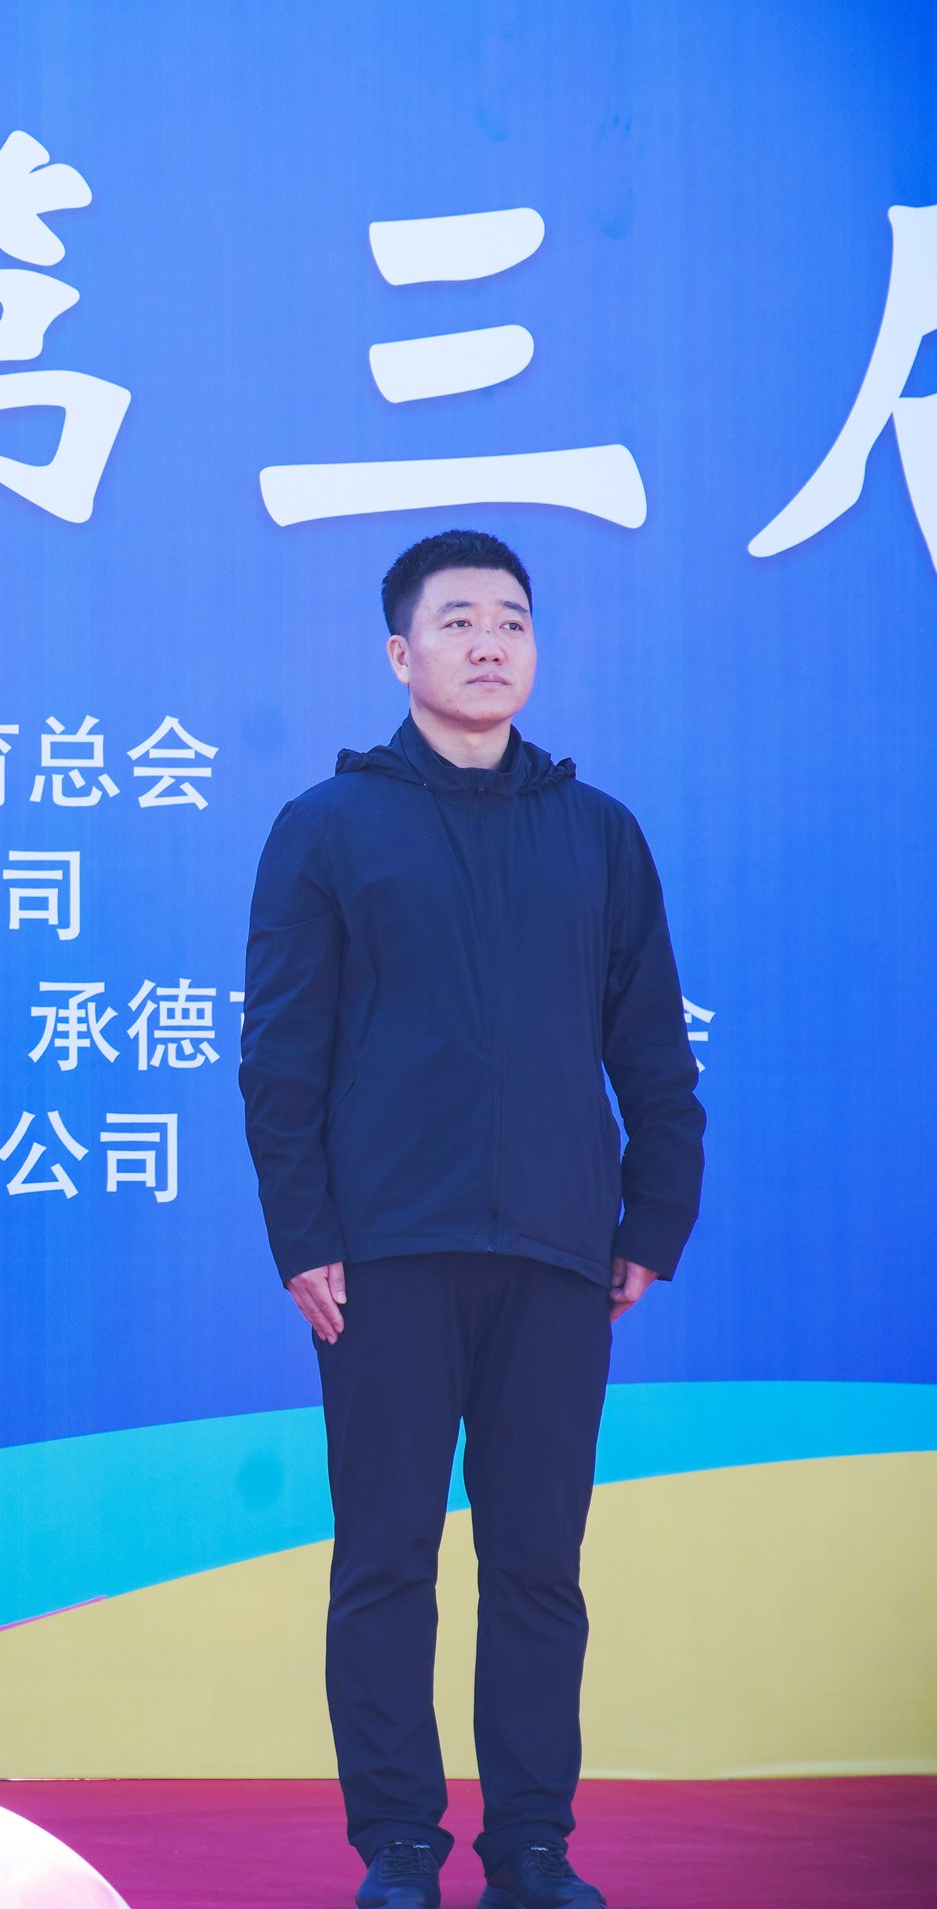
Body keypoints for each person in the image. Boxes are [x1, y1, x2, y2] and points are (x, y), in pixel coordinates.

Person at [239, 530, 704, 1909]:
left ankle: (533, 1850)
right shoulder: (329, 827)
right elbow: (280, 1055)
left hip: (559, 1254)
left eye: (512, 619)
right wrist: (303, 1233)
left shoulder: (598, 833)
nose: (488, 641)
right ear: (401, 653)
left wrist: (653, 1215)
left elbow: (652, 1046)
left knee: (538, 1568)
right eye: (456, 620)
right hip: (383, 1257)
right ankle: (398, 1847)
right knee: (386, 1560)